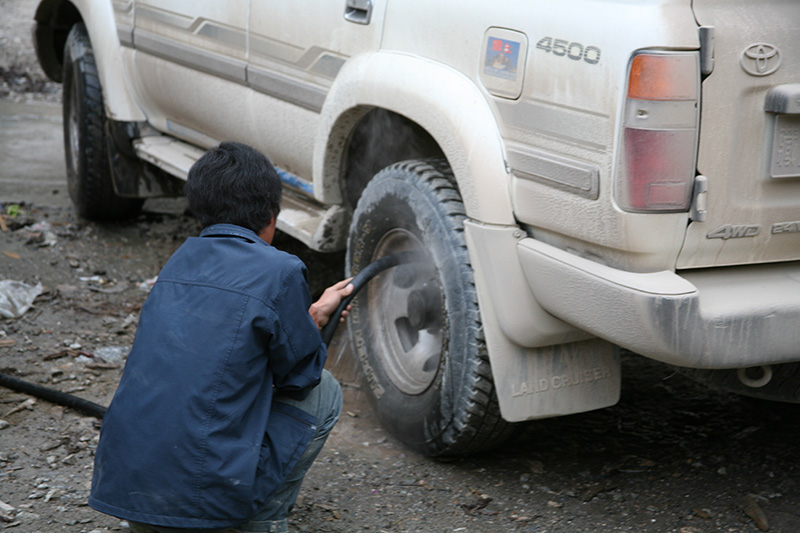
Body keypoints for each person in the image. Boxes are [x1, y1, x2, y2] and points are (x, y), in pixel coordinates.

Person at [89, 142, 353, 533]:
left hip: (132, 494)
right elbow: (300, 377)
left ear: (200, 214)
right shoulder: (280, 269)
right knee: (325, 392)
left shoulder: (177, 263)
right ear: (270, 214)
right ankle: (261, 521)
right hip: (202, 505)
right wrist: (311, 328)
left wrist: (306, 317)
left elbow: (217, 341)